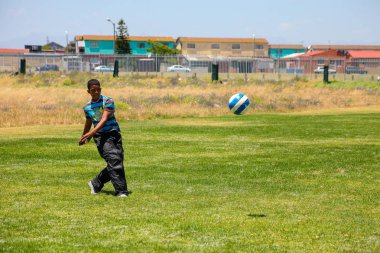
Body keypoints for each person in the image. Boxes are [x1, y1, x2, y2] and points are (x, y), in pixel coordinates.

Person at [79, 79, 129, 197]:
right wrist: (85, 136)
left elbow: (104, 118)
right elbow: (89, 121)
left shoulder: (108, 101)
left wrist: (91, 133)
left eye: (98, 89)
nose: (96, 92)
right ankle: (121, 191)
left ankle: (96, 183)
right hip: (101, 137)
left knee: (116, 162)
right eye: (93, 90)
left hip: (114, 134)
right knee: (114, 160)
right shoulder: (87, 107)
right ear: (88, 91)